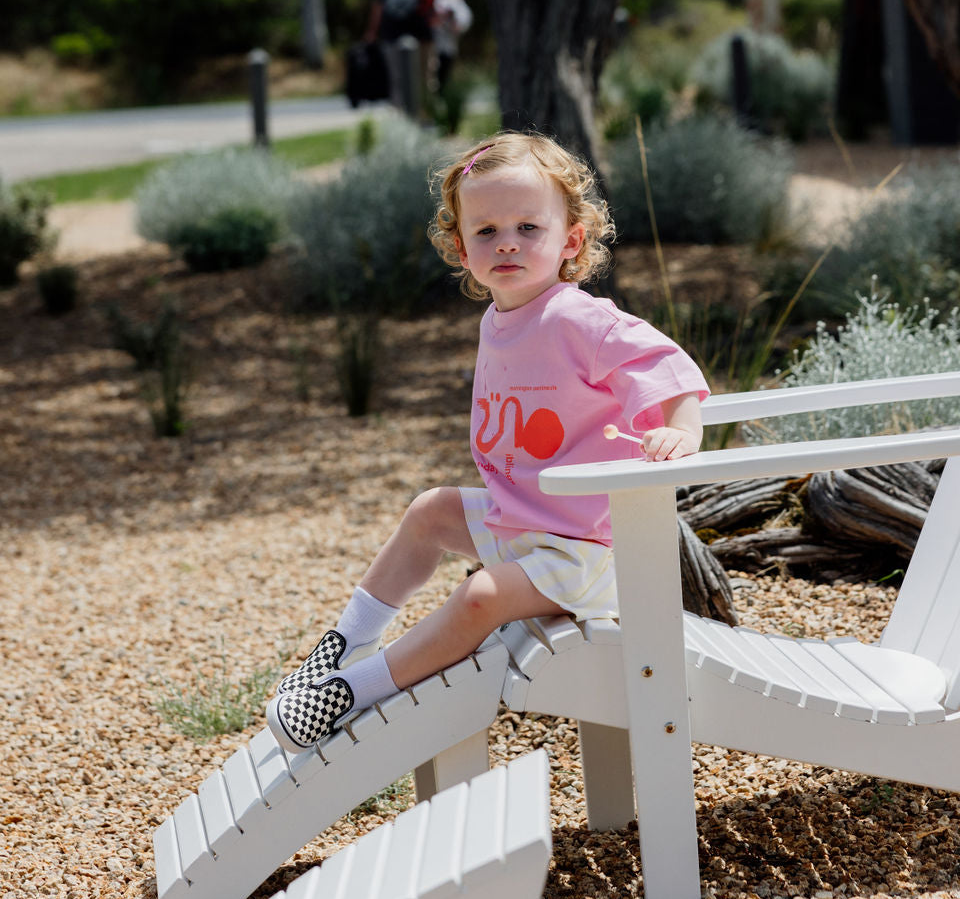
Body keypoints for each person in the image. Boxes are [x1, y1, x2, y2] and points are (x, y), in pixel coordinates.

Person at [266, 131, 708, 754]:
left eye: (529, 227)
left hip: (587, 553)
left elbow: (665, 366)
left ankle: (353, 690)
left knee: (478, 597)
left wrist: (678, 429)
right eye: (487, 231)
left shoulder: (579, 318)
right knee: (431, 511)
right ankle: (345, 643)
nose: (507, 242)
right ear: (460, 247)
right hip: (524, 526)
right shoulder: (500, 318)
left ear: (571, 241)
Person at [366, 0, 463, 110]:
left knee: (425, 78)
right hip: (392, 33)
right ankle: (401, 120)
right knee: (396, 80)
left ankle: (426, 117)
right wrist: (371, 32)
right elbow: (378, 3)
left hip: (423, 32)